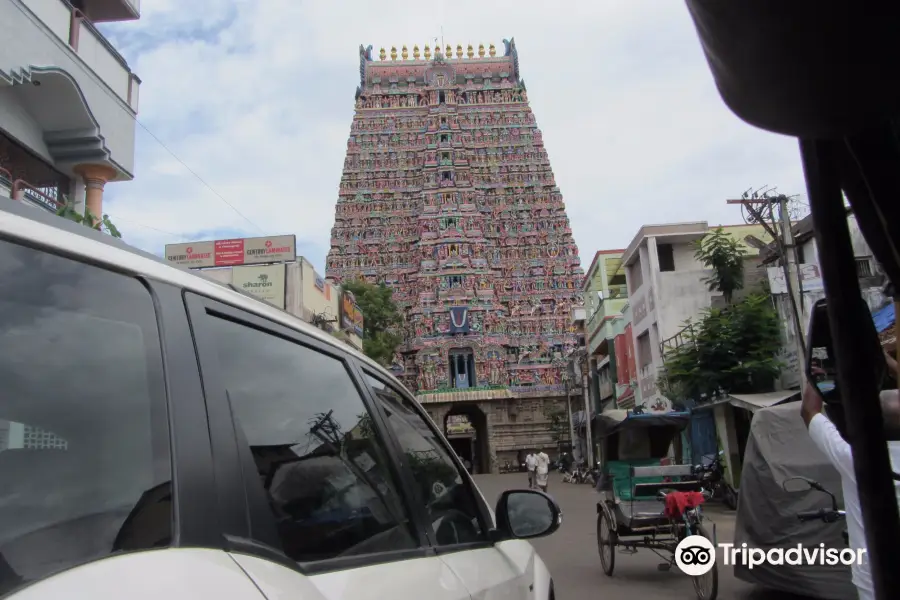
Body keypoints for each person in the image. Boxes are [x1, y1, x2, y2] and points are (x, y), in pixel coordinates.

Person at [801, 368, 900, 600]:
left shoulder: (855, 458)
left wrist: (815, 371)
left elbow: (808, 411)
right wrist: (887, 361)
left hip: (874, 584)